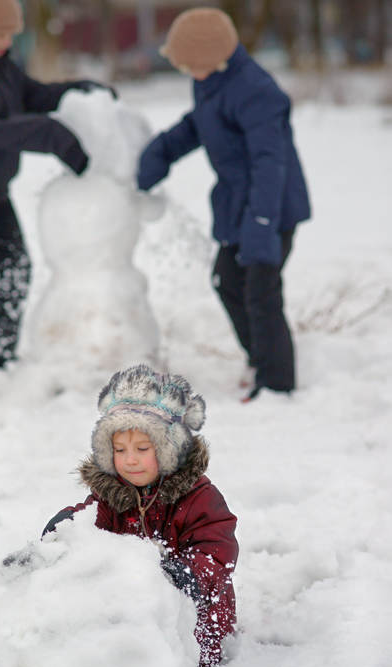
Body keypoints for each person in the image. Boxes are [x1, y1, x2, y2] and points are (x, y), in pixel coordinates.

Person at [2, 365, 238, 667]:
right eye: (119, 450)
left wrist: (186, 573)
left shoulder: (199, 497)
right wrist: (57, 540)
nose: (130, 460)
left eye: (143, 449)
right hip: (137, 613)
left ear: (169, 449)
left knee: (161, 643)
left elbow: (217, 549)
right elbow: (87, 526)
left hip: (198, 620)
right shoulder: (113, 494)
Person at [0, 0, 114, 392]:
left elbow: (35, 96)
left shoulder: (4, 67)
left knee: (16, 271)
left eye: (9, 33)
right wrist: (55, 137)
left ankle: (0, 355)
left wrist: (77, 90)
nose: (5, 40)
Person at [137, 8, 311, 401]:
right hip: (238, 204)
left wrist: (262, 224)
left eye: (187, 64)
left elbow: (270, 164)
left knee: (261, 291)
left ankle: (277, 383)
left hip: (271, 207)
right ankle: (258, 358)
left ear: (211, 58)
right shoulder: (213, 80)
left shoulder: (256, 91)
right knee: (227, 280)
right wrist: (159, 154)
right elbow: (199, 124)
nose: (185, 71)